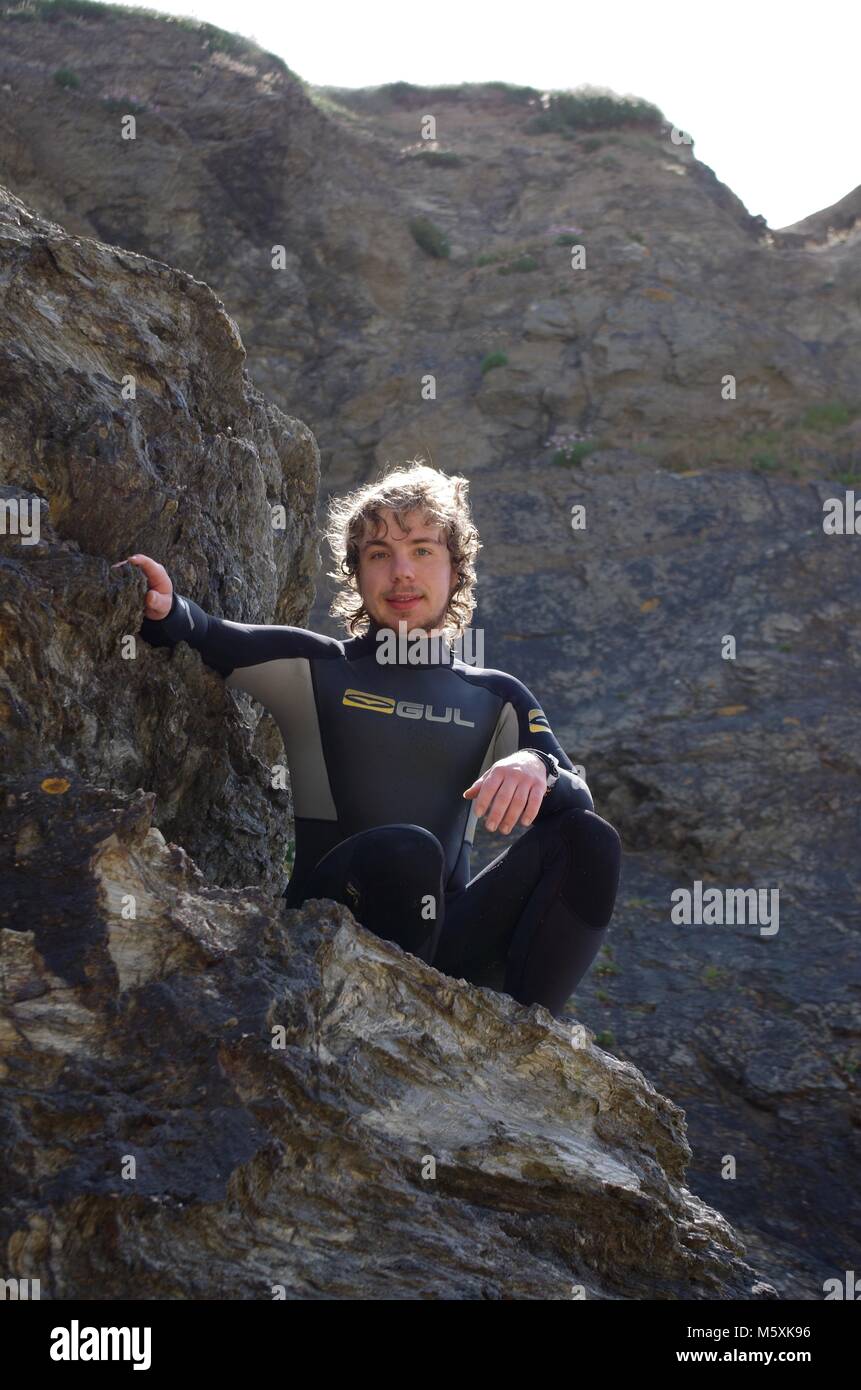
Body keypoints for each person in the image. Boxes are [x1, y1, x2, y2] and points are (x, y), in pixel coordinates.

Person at [124, 460, 621, 1019]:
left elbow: (577, 799)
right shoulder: (316, 668)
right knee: (407, 850)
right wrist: (164, 609)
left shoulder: (498, 696)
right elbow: (204, 633)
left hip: (445, 946)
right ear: (356, 573)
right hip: (333, 923)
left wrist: (536, 764)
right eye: (379, 554)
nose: (401, 572)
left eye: (423, 551)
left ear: (456, 569)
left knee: (588, 840)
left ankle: (524, 1041)